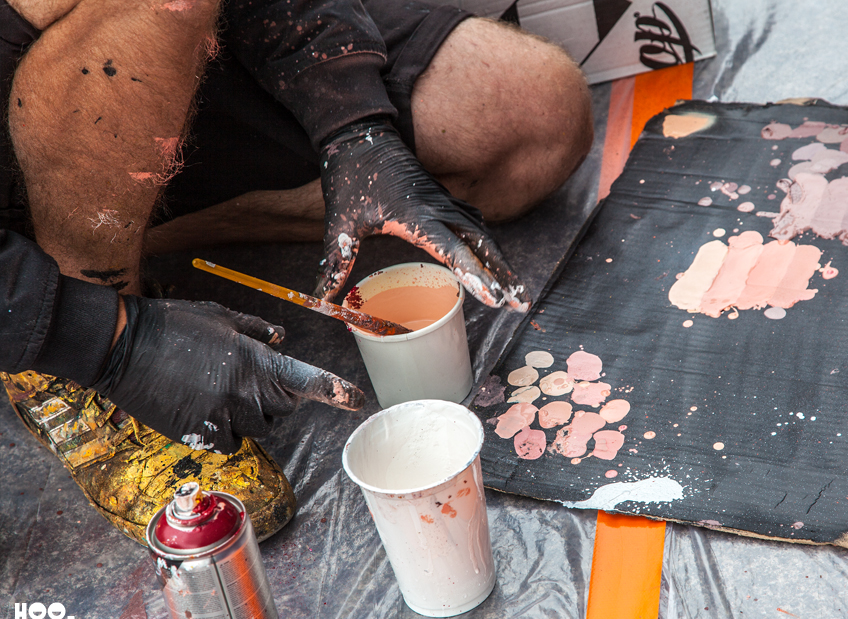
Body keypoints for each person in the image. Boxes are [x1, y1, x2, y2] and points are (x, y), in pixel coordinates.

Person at [0, 0, 594, 543]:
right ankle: (75, 305)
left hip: (167, 38)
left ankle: (105, 221)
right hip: (49, 85)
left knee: (536, 112)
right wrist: (95, 335)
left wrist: (353, 126)